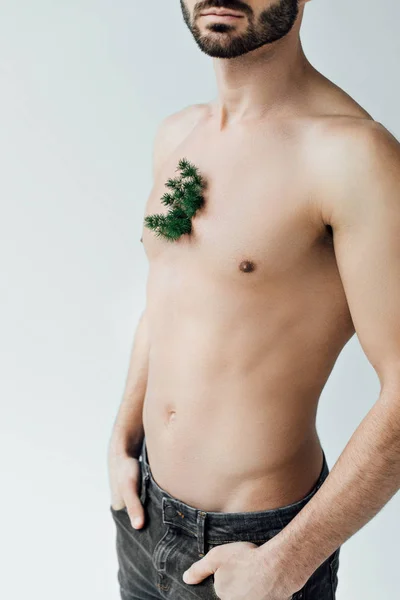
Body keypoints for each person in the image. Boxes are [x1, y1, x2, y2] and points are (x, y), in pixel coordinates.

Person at [107, 1, 400, 599]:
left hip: (258, 549)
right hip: (142, 516)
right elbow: (168, 298)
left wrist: (288, 561)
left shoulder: (351, 155)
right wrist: (123, 438)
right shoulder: (177, 134)